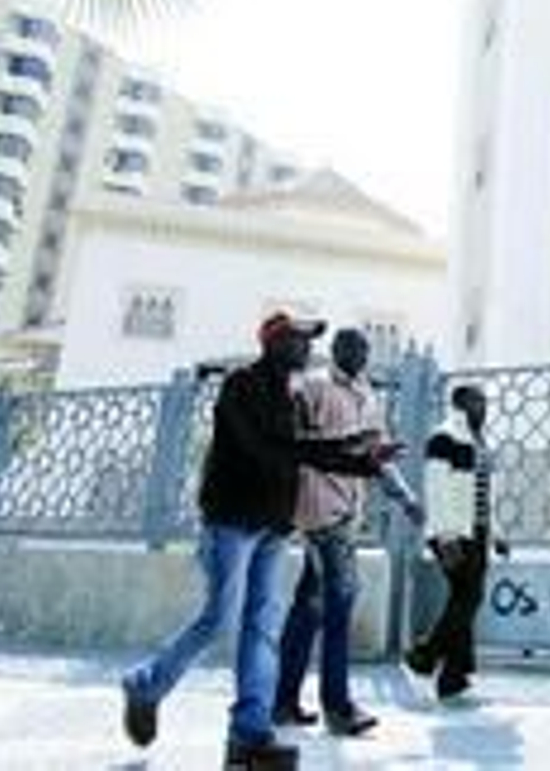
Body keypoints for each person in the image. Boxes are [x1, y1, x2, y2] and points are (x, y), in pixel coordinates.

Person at [120, 311, 398, 770]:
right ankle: (145, 684)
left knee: (263, 629)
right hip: (231, 522)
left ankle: (249, 737)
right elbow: (269, 449)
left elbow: (304, 452)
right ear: (273, 342)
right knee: (218, 619)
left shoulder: (290, 397)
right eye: (299, 340)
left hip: (271, 528)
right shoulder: (241, 386)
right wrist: (350, 450)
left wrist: (364, 462)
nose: (309, 349)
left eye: (310, 341)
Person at [272, 327, 423, 737]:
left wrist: (405, 499)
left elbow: (377, 455)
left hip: (347, 509)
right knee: (339, 602)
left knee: (309, 607)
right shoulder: (315, 388)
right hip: (320, 509)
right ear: (335, 351)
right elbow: (294, 444)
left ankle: (281, 700)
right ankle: (337, 706)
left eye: (363, 348)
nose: (357, 353)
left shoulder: (368, 395)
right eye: (349, 347)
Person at [402, 383, 508, 701]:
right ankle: (425, 655)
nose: (483, 408)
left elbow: (485, 496)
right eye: (476, 402)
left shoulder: (481, 442)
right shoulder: (443, 437)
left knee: (465, 598)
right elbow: (436, 490)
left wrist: (497, 534)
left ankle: (453, 678)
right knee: (469, 597)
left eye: (485, 402)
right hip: (453, 533)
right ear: (459, 404)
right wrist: (447, 538)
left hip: (477, 532)